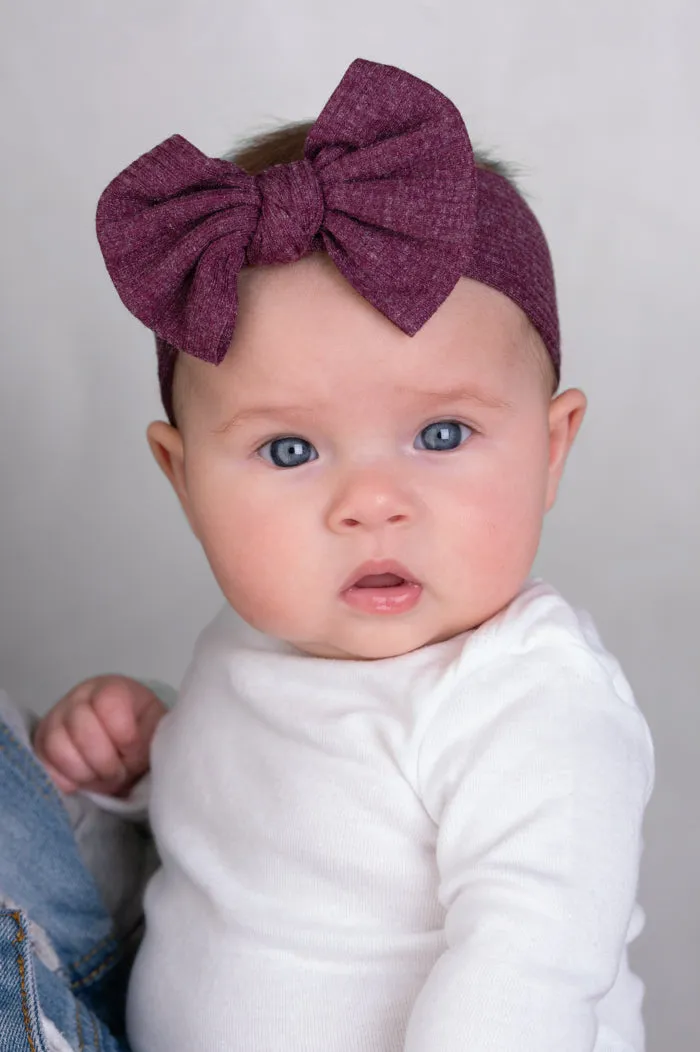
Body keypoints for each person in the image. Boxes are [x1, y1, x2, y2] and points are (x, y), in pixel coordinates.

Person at [32, 59, 654, 1052]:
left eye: (441, 435)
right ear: (182, 479)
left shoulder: (532, 700)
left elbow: (528, 969)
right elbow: (278, 824)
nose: (370, 503)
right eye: (289, 450)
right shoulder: (265, 634)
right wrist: (150, 756)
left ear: (551, 448)